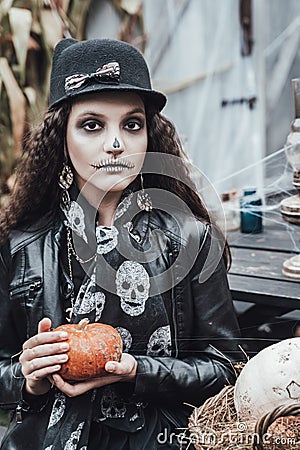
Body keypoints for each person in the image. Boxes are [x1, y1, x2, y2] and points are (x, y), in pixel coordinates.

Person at [0, 38, 241, 450]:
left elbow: (228, 368)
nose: (116, 143)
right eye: (92, 125)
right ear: (62, 138)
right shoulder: (21, 246)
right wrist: (28, 377)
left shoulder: (191, 239)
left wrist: (137, 371)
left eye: (131, 124)